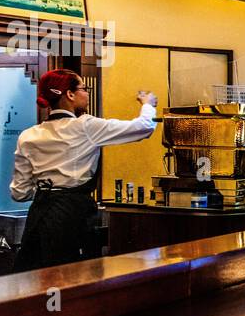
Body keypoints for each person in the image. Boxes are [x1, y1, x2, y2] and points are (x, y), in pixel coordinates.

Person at [11, 69, 158, 271]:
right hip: (72, 213)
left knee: (35, 275)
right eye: (83, 88)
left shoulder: (28, 136)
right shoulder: (85, 126)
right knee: (73, 274)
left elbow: (19, 193)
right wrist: (148, 104)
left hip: (39, 214)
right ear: (70, 94)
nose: (87, 93)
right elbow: (144, 128)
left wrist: (46, 191)